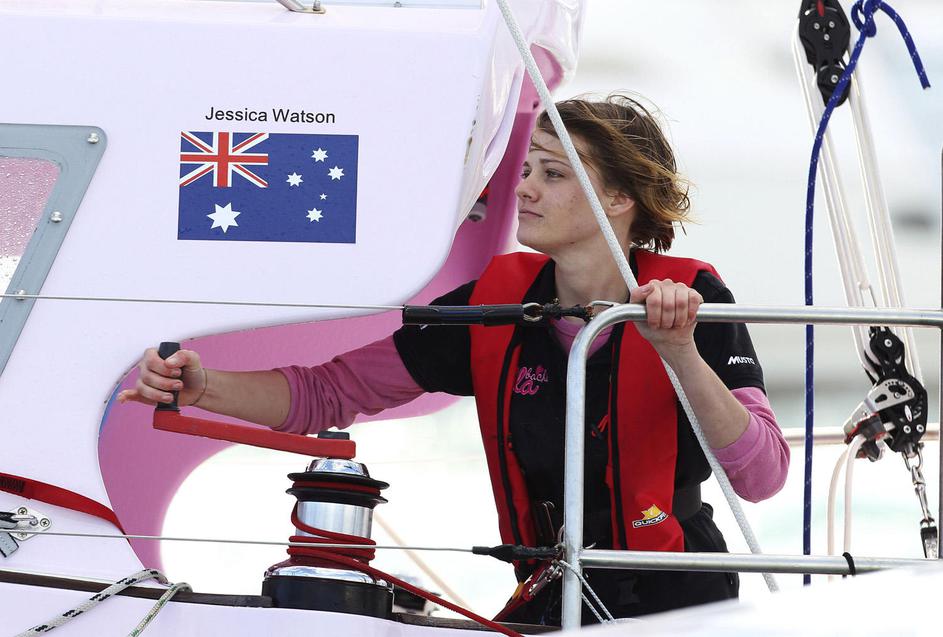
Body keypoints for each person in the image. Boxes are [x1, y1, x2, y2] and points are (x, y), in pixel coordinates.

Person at [120, 94, 789, 624]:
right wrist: (204, 385)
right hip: (553, 598)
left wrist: (676, 350)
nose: (524, 189)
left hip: (682, 607)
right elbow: (327, 392)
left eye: (551, 174)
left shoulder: (690, 300)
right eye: (526, 169)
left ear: (618, 199)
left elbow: (760, 474)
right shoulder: (494, 305)